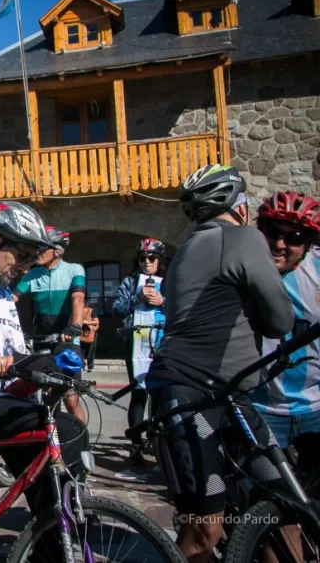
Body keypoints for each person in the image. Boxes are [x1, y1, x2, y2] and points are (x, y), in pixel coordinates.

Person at [145, 165, 294, 563]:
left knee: (260, 506)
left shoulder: (186, 251)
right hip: (198, 392)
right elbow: (282, 320)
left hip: (205, 392)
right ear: (240, 206)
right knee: (210, 525)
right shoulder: (244, 238)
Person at [0, 202, 90, 509]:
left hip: (6, 400)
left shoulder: (2, 287)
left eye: (33, 259)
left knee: (67, 438)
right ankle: (55, 532)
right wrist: (13, 365)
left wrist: (46, 368)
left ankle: (56, 535)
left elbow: (8, 347)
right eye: (23, 256)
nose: (27, 267)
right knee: (67, 432)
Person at [251, 192, 320, 456]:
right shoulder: (243, 270)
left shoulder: (316, 272)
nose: (279, 244)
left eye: (294, 238)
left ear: (308, 244)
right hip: (261, 408)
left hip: (315, 407)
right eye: (272, 232)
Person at [13, 226, 87, 421]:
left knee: (70, 398)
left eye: (42, 248)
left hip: (67, 339)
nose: (37, 252)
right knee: (45, 401)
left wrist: (75, 327)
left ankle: (83, 447)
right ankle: (50, 447)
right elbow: (12, 299)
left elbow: (78, 299)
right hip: (41, 340)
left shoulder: (74, 270)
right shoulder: (32, 275)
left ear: (57, 251)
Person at [112, 238, 167, 467]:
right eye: (143, 258)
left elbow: (183, 310)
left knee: (162, 394)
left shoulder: (169, 282)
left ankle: (160, 440)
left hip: (163, 341)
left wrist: (164, 302)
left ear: (159, 261)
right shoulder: (130, 281)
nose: (147, 262)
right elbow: (116, 308)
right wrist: (138, 298)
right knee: (139, 392)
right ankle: (136, 444)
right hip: (136, 343)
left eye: (152, 258)